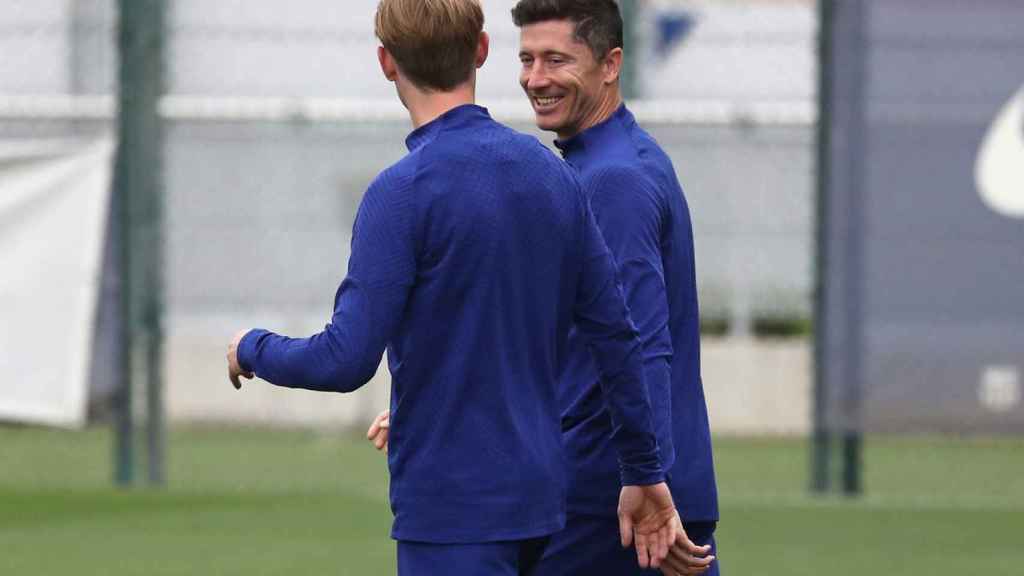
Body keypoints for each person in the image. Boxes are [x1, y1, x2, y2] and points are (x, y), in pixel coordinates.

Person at [226, 1, 683, 574]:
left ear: (387, 63)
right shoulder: (551, 175)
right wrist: (643, 469)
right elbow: (618, 337)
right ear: (483, 51)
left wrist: (251, 347)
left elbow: (344, 360)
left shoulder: (402, 193)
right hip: (542, 506)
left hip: (451, 511)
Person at [368, 1, 720, 574]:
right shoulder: (604, 162)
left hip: (617, 506)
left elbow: (640, 345)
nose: (536, 78)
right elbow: (568, 344)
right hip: (627, 494)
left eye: (557, 60)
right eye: (527, 59)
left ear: (610, 65)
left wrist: (648, 476)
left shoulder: (613, 181)